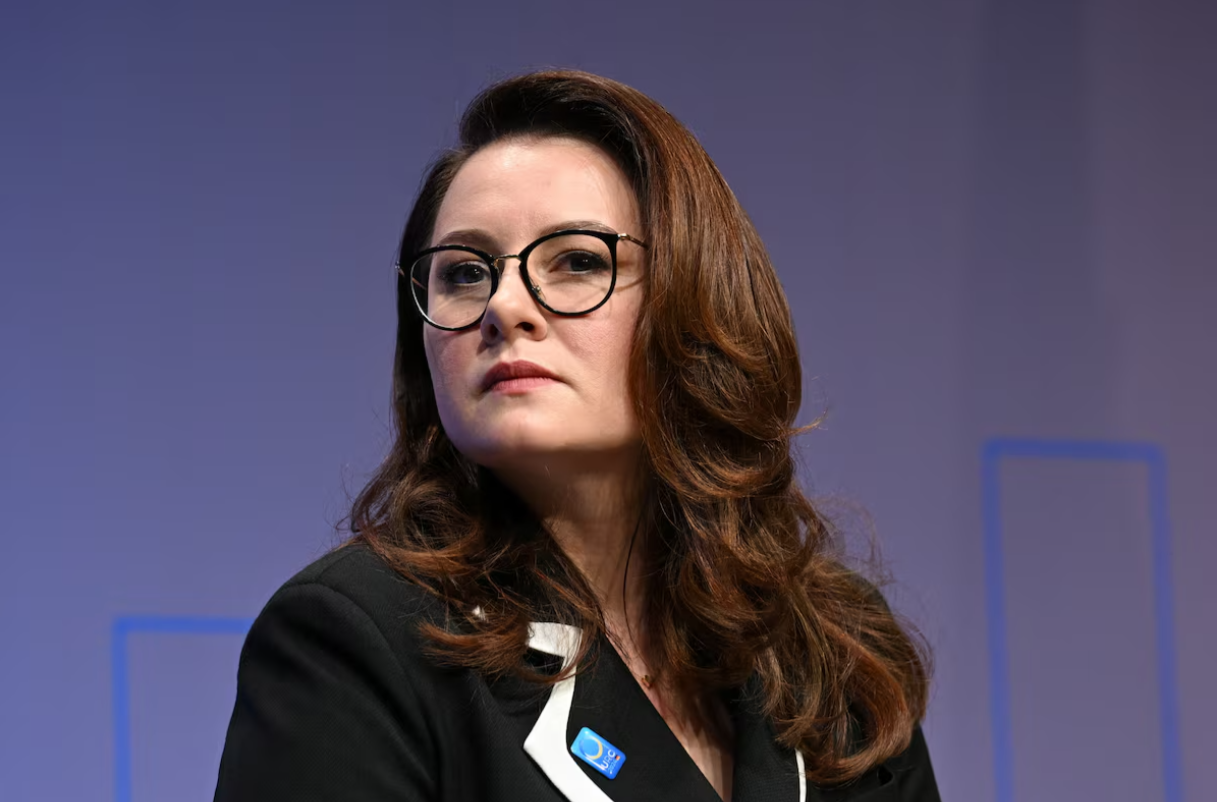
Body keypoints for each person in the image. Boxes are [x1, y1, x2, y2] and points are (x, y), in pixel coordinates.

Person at [213, 69, 939, 802]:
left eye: (578, 261)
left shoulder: (831, 647)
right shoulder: (354, 638)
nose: (503, 306)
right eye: (463, 273)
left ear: (696, 302)